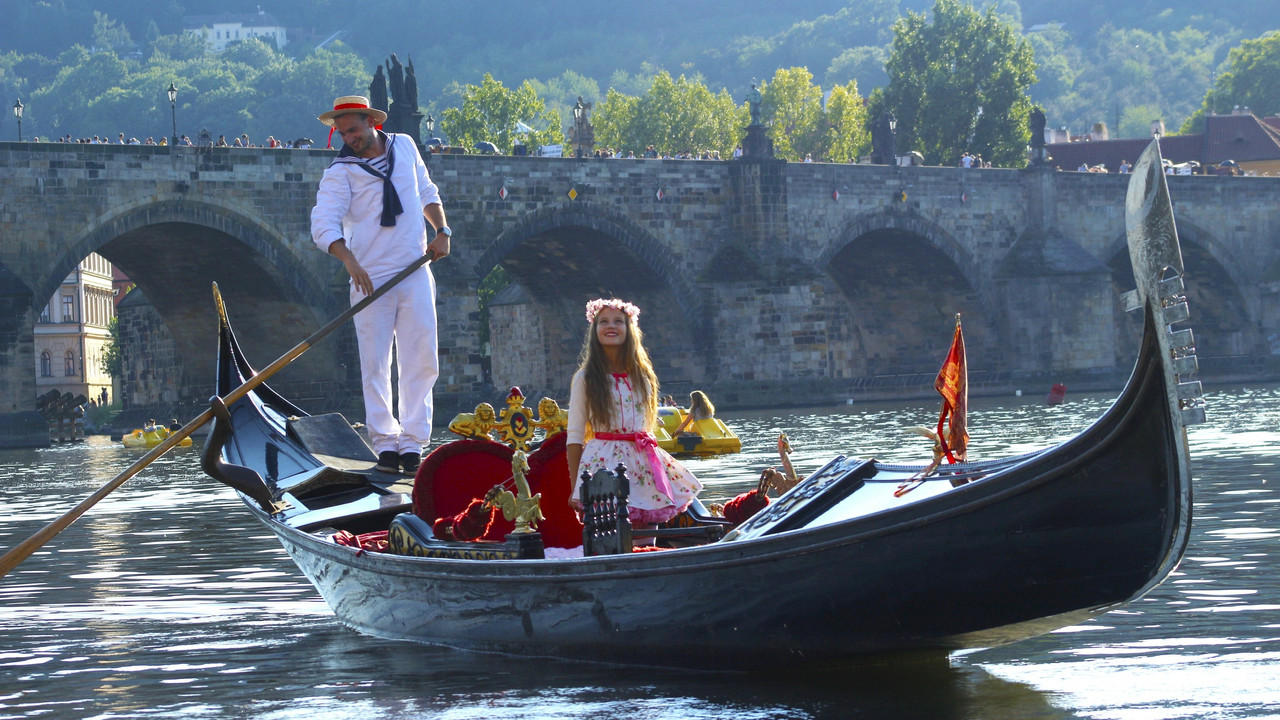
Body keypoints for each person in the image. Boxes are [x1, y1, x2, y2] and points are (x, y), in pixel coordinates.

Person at [310, 95, 453, 476]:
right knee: (375, 363)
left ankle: (412, 443)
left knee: (421, 358)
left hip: (415, 269)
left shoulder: (404, 145)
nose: (349, 138)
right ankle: (385, 443)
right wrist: (350, 261)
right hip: (369, 277)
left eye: (353, 130)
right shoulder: (340, 172)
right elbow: (323, 223)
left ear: (371, 121)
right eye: (341, 133)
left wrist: (442, 231)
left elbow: (426, 191)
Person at [566, 298, 702, 536]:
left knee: (648, 533)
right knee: (610, 536)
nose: (611, 326)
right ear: (594, 330)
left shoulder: (643, 375)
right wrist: (576, 487)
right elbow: (575, 436)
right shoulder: (585, 378)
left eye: (618, 321)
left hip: (643, 462)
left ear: (629, 329)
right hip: (603, 465)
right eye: (604, 321)